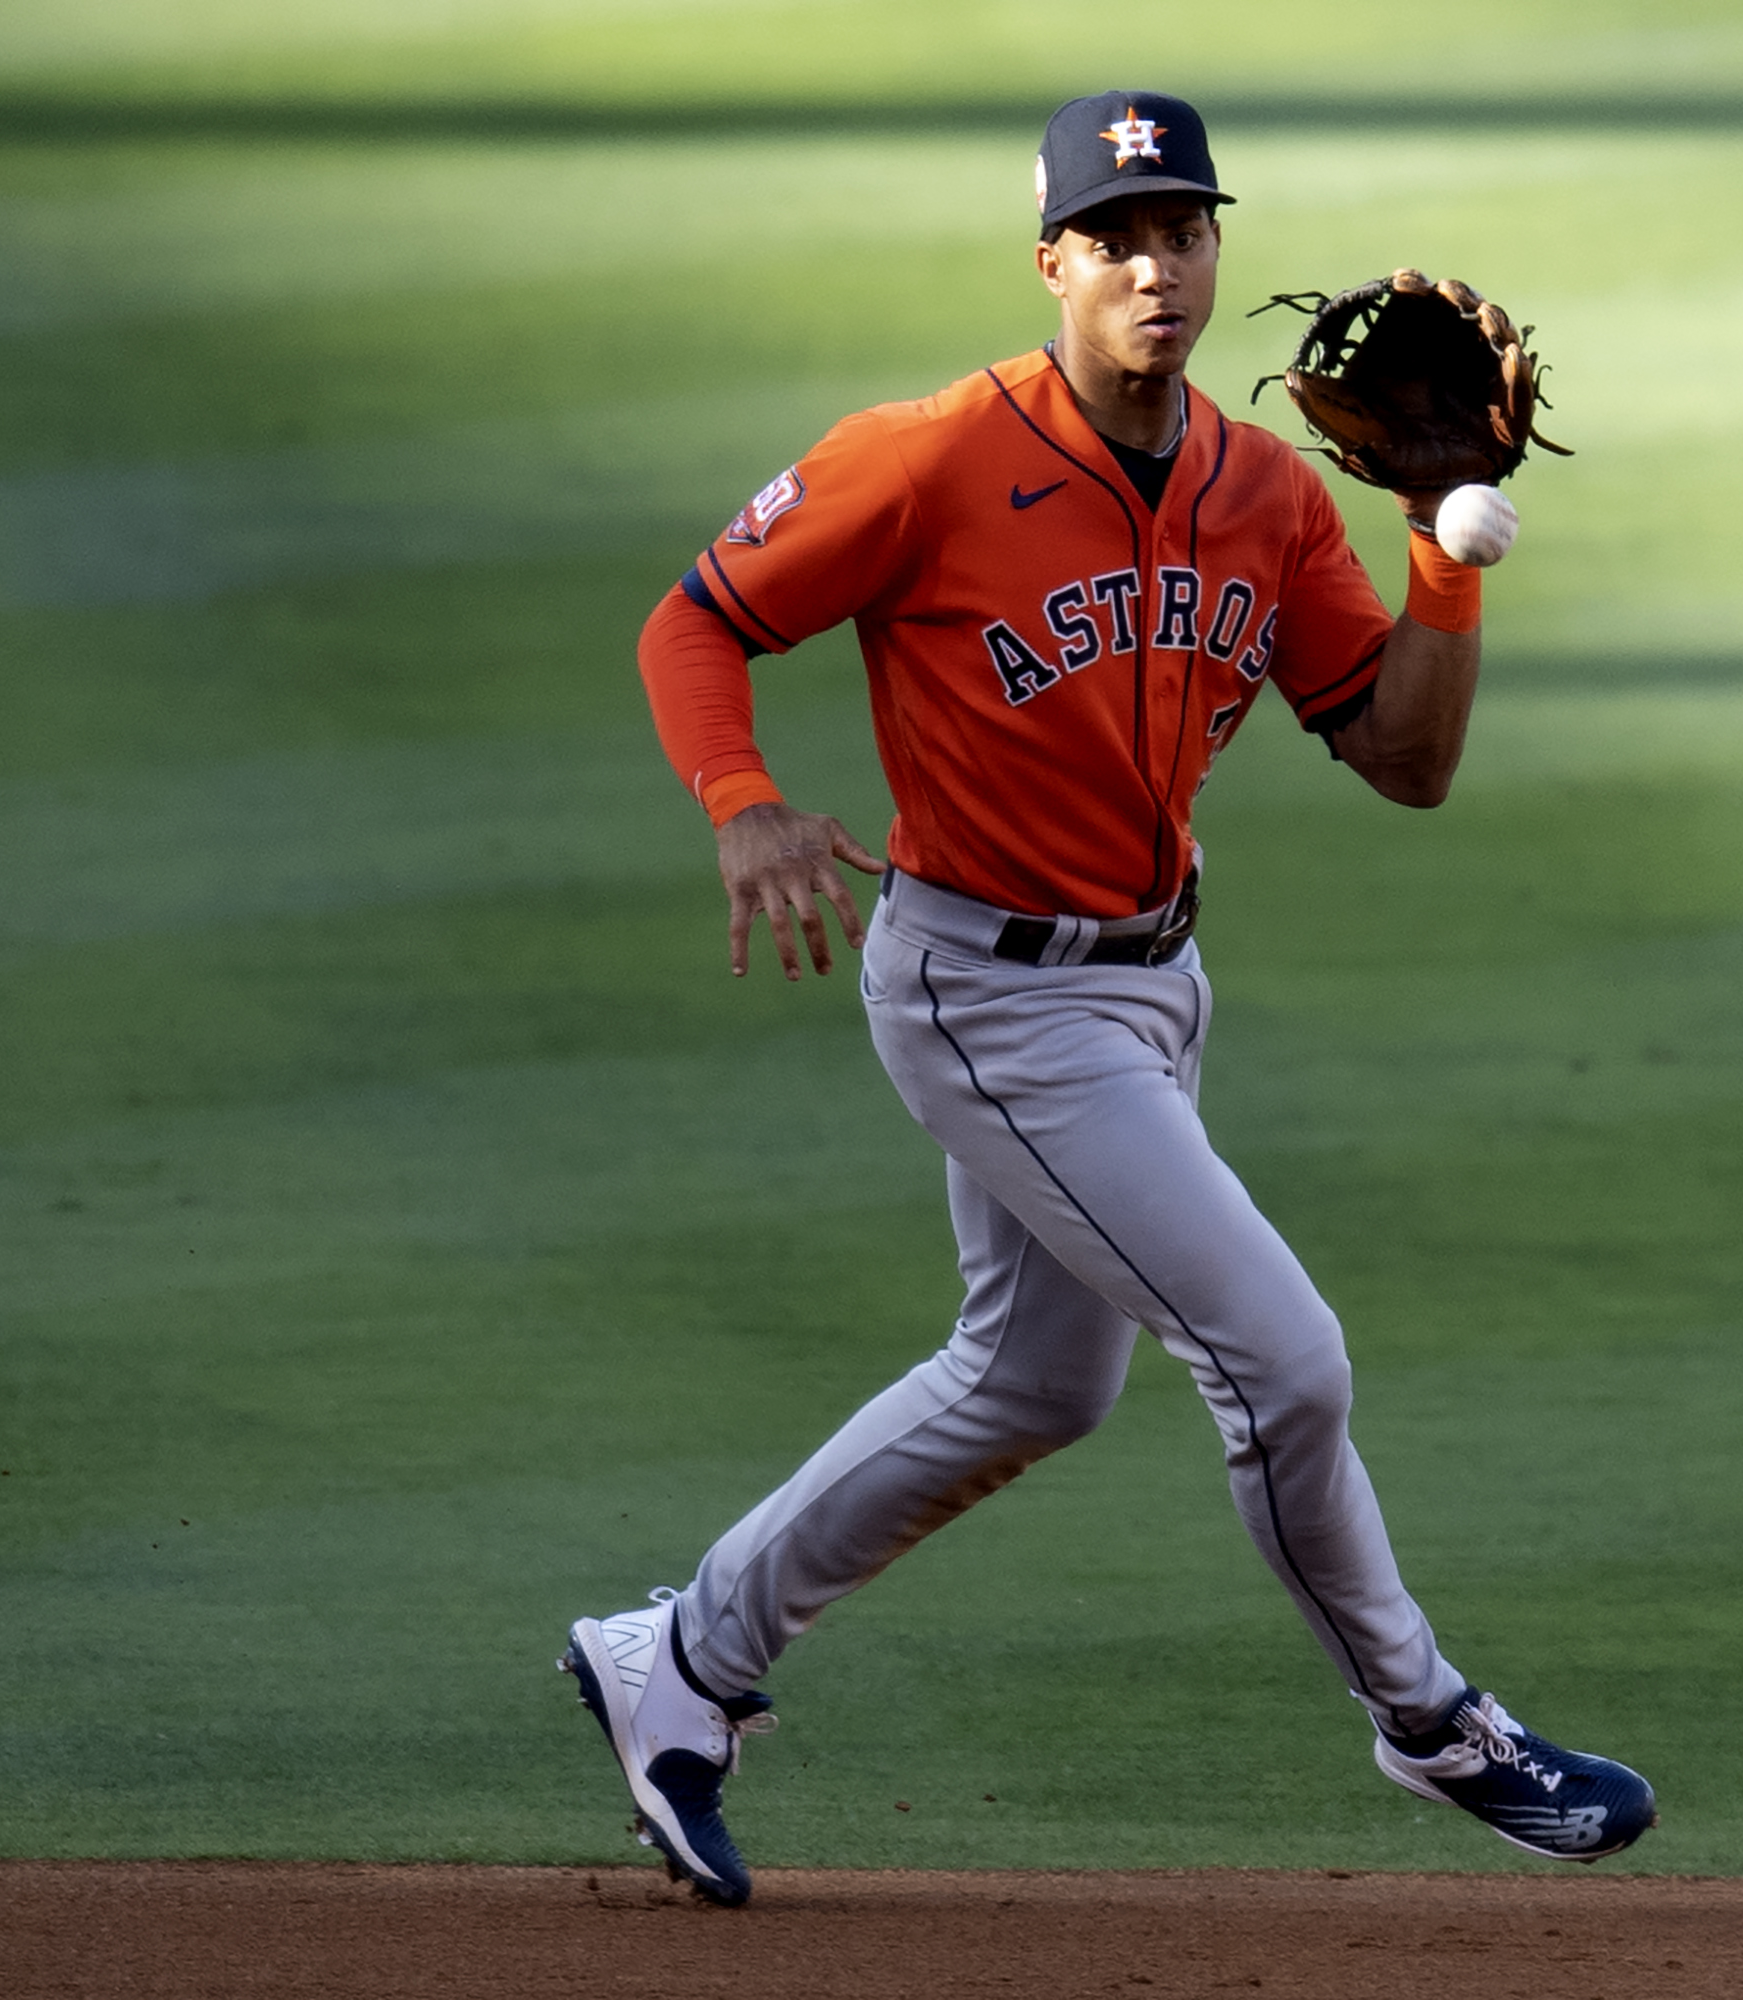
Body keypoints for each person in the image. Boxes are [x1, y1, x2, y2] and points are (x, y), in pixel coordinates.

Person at [563, 88, 1655, 1907]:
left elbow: (1404, 760)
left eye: (1189, 230)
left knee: (1030, 1385)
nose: (1160, 266)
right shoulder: (920, 460)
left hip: (1154, 990)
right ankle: (1432, 1720)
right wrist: (744, 808)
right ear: (1055, 261)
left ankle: (678, 1657)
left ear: (1222, 249)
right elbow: (697, 620)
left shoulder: (1262, 492)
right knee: (1280, 1358)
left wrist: (1441, 557)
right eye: (1122, 236)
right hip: (987, 994)